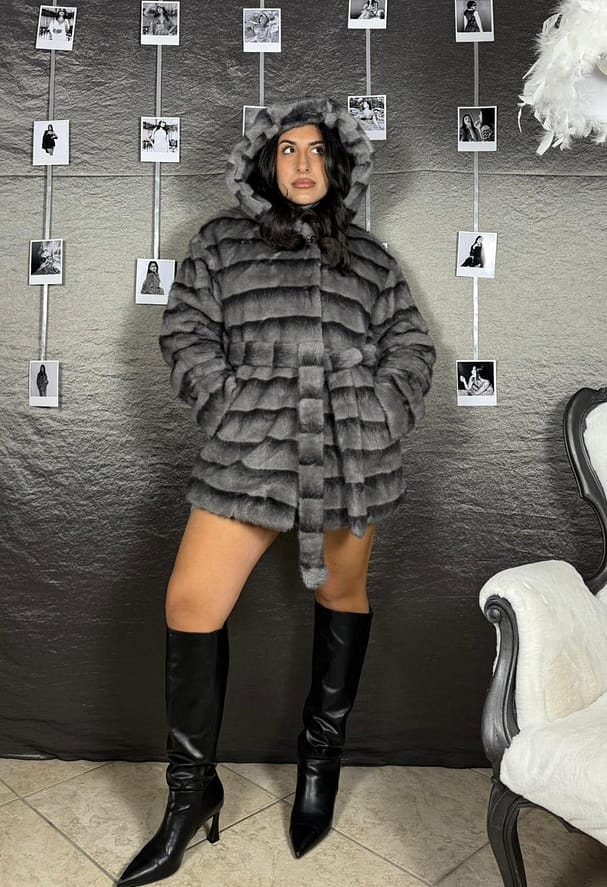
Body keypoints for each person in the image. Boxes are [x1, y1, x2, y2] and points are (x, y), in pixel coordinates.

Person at [117, 95, 435, 886]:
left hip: (349, 449)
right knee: (191, 602)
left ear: (338, 163)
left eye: (316, 149)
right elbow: (185, 330)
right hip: (250, 447)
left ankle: (319, 763)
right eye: (287, 148)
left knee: (341, 594)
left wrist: (379, 410)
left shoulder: (369, 256)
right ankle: (191, 792)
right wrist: (230, 405)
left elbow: (410, 342)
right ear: (264, 162)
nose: (302, 162)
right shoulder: (221, 242)